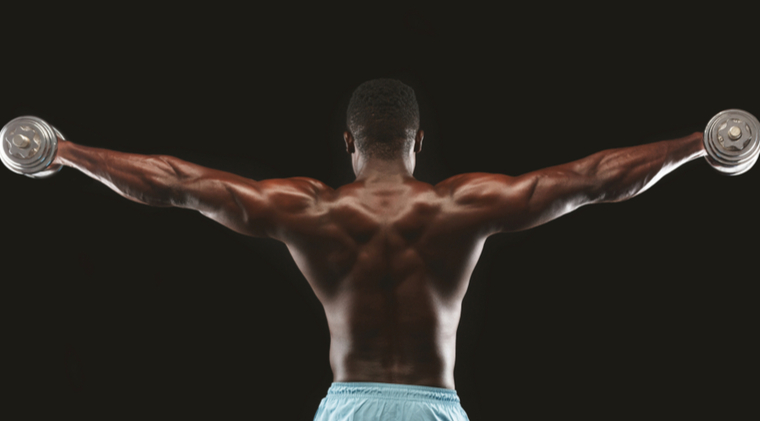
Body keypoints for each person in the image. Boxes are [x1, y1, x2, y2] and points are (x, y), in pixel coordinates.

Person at [48, 78, 706, 421]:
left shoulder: (310, 208)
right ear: (417, 139)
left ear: (349, 142)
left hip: (348, 405)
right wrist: (701, 143)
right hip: (436, 405)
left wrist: (65, 151)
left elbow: (181, 184)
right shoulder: (460, 205)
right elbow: (592, 181)